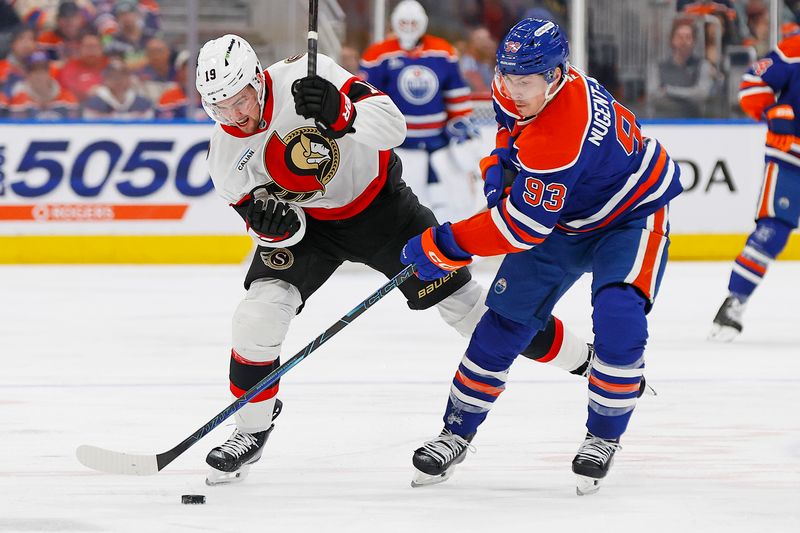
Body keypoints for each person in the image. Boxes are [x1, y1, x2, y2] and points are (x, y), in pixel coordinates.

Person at [194, 33, 598, 486]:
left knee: (470, 312)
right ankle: (251, 428)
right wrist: (275, 226)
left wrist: (344, 113)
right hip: (310, 228)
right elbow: (263, 224)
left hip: (382, 210)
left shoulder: (308, 74)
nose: (236, 115)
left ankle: (585, 360)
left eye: (241, 100)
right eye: (220, 108)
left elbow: (393, 128)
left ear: (258, 80)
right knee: (258, 316)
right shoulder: (224, 156)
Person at [401, 18, 683, 495]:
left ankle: (603, 436)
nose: (513, 90)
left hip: (631, 213)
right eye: (507, 76)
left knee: (619, 317)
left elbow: (522, 228)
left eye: (525, 81)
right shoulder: (519, 89)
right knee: (502, 322)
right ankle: (455, 433)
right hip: (567, 214)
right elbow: (509, 128)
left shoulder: (563, 129)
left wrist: (442, 247)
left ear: (555, 76)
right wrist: (500, 165)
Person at [710, 25, 800, 341]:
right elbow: (752, 83)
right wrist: (773, 111)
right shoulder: (795, 48)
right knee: (771, 232)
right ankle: (734, 302)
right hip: (790, 158)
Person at [359, 0, 483, 223]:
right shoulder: (377, 55)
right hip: (400, 143)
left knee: (452, 199)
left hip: (439, 141)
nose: (408, 27)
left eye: (413, 22)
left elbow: (455, 91)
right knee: (406, 201)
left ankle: (449, 235)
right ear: (394, 23)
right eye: (403, 22)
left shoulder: (443, 51)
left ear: (423, 23)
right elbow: (367, 97)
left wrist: (461, 121)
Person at [651, 17, 715, 118]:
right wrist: (688, 94)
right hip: (663, 122)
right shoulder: (658, 67)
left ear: (694, 41)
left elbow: (701, 95)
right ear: (672, 39)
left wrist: (668, 90)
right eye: (679, 37)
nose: (683, 41)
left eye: (687, 37)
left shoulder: (702, 65)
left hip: (692, 122)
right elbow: (653, 95)